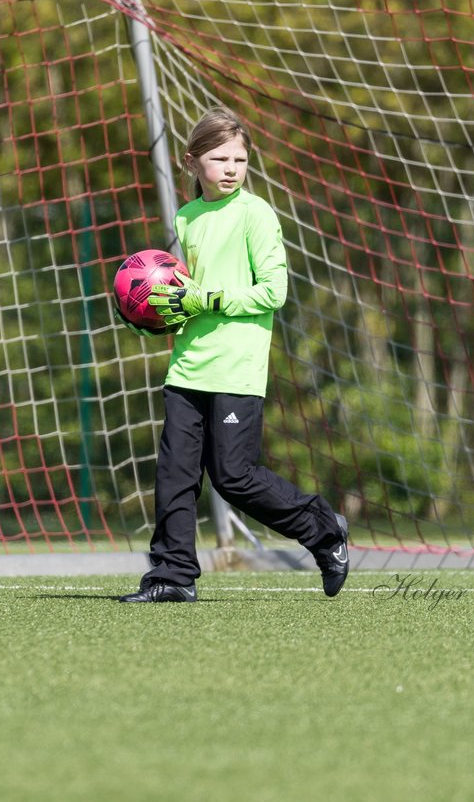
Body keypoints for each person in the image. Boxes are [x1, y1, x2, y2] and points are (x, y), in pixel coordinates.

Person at [115, 106, 349, 603]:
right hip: (187, 366)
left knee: (233, 477)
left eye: (239, 160)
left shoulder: (256, 214)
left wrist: (210, 298)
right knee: (174, 476)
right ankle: (171, 577)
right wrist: (164, 315)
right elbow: (189, 291)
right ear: (192, 162)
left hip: (236, 371)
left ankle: (324, 529)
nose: (230, 169)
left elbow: (273, 292)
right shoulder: (187, 217)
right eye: (219, 158)